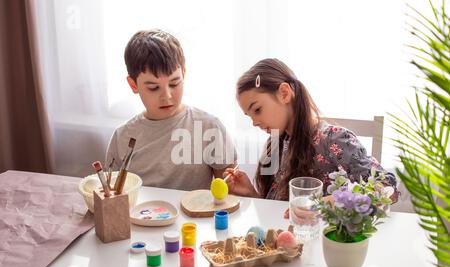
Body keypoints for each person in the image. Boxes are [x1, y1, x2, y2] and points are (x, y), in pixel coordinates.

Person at [224, 58, 399, 209]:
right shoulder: (275, 145)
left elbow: (388, 187)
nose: (254, 122)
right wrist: (251, 194)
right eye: (249, 116)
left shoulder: (333, 139)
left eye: (257, 109)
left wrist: (333, 201)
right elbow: (279, 215)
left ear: (284, 93)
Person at [106, 29, 236, 190]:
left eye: (174, 83)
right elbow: (112, 197)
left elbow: (230, 194)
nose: (167, 96)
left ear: (184, 74)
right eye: (153, 88)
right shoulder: (123, 137)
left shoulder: (209, 127)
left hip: (196, 215)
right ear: (133, 85)